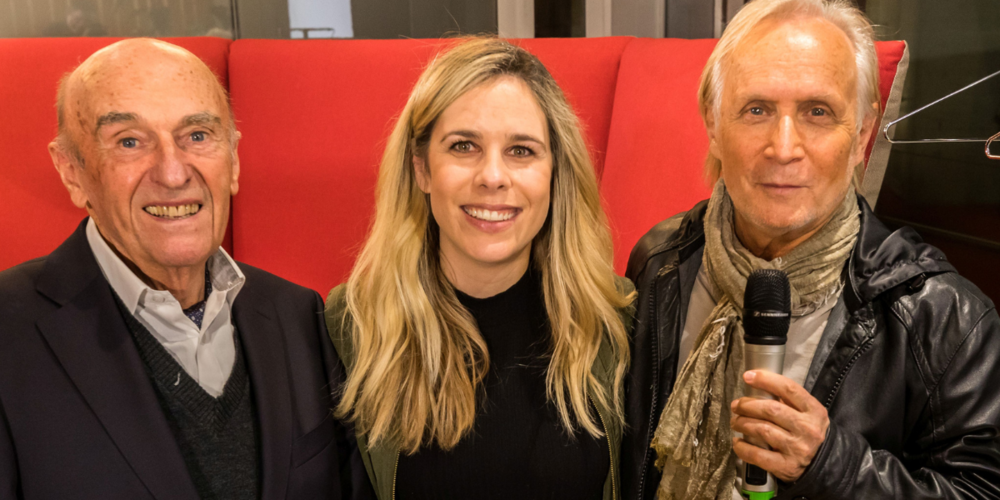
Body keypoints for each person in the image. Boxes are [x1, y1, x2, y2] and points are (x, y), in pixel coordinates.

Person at [621, 1, 1000, 499]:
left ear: (861, 134)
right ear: (713, 125)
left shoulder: (942, 317)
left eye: (817, 112)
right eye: (757, 110)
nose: (783, 148)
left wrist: (833, 465)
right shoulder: (662, 261)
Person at [0, 39, 359, 499]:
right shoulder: (8, 334)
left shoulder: (300, 316)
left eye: (197, 135)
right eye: (129, 142)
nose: (173, 173)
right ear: (72, 171)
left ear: (233, 159)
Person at [324, 37, 636, 500]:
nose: (492, 176)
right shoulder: (352, 326)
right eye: (464, 146)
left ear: (555, 172)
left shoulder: (616, 319)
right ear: (422, 170)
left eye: (521, 150)